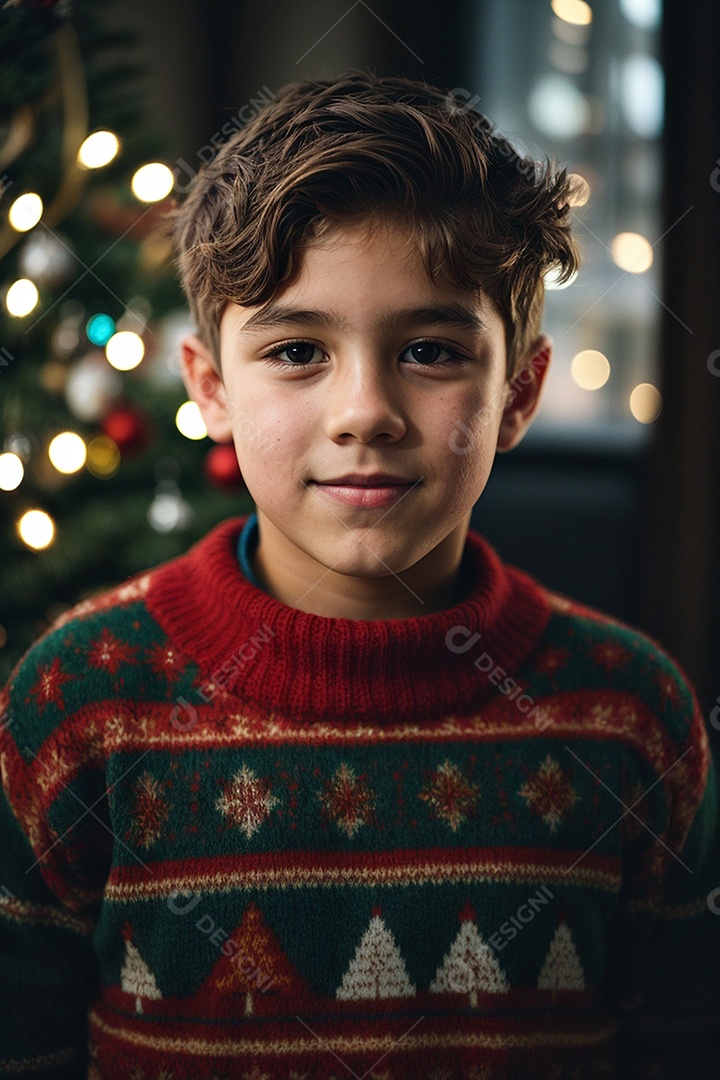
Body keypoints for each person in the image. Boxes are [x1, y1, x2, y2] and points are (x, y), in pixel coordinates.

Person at [0, 70, 717, 1080]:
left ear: (518, 395)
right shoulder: (76, 701)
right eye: (298, 351)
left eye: (428, 350)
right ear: (211, 391)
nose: (365, 411)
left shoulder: (632, 719)